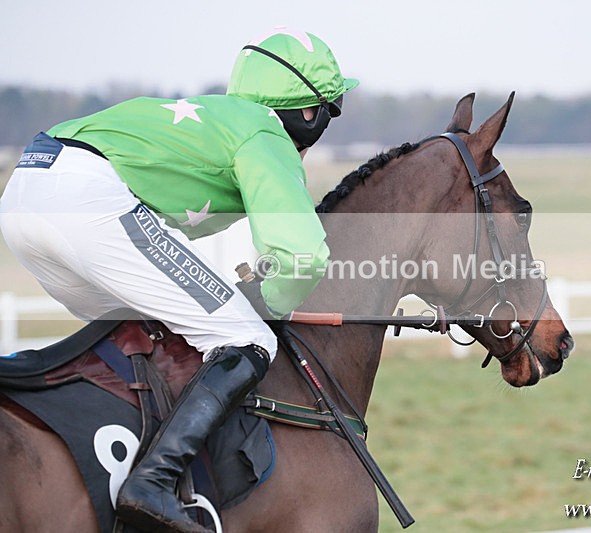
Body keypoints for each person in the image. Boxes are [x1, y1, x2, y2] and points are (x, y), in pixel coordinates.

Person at [0, 27, 357, 532]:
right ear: (311, 113)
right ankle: (154, 482)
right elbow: (303, 256)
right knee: (247, 337)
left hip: (23, 193)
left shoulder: (219, 119)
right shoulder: (263, 132)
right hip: (85, 198)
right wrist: (269, 302)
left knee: (145, 329)